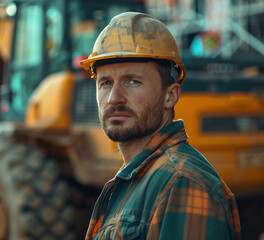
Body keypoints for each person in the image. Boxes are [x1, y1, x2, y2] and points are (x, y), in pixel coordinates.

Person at [80, 12, 241, 240]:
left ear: (170, 96)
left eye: (133, 81)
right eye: (105, 83)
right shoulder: (139, 177)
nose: (114, 98)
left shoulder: (183, 183)